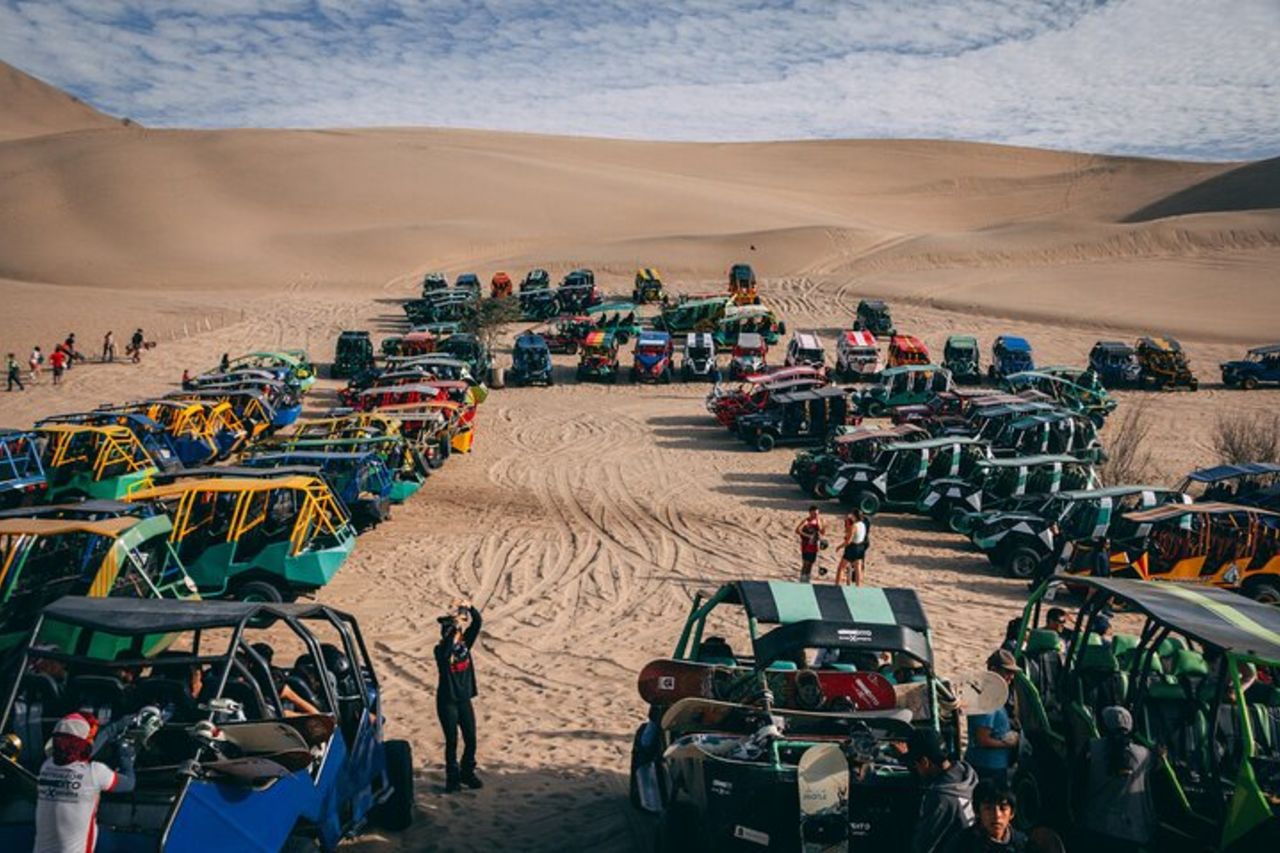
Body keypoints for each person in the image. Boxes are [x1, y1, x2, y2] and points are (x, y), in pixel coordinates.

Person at [34, 712, 136, 853]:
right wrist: (126, 756)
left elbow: (80, 752)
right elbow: (129, 783)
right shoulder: (95, 773)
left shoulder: (46, 766)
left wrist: (112, 729)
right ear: (83, 744)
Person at [1075, 706, 1156, 852]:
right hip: (1132, 832)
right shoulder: (1144, 755)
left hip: (1096, 826)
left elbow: (1078, 784)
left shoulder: (1091, 748)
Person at [434, 598, 483, 792]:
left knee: (470, 739)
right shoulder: (440, 650)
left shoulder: (465, 646)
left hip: (463, 701)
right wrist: (453, 629)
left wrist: (470, 608)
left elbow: (477, 624)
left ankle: (467, 773)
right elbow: (446, 652)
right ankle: (452, 779)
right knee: (452, 741)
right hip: (447, 702)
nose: (460, 633)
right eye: (456, 632)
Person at [908, 728, 977, 853]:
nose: (916, 769)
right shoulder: (966, 777)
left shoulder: (940, 798)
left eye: (915, 764)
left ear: (925, 761)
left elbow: (923, 845)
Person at [964, 650, 1021, 787]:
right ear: (993, 670)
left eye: (1012, 673)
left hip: (991, 765)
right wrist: (1010, 744)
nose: (1011, 677)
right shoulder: (987, 699)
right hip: (987, 767)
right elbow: (982, 739)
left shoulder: (993, 694)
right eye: (1007, 672)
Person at [945, 782, 1028, 852]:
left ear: (1012, 813)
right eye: (988, 808)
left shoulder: (1023, 844)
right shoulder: (962, 843)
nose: (996, 815)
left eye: (1003, 808)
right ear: (977, 811)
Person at [836, 508, 868, 586]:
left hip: (852, 547)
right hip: (860, 546)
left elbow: (848, 541)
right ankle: (858, 586)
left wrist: (839, 546)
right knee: (858, 568)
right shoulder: (863, 524)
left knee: (841, 568)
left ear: (855, 516)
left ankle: (837, 586)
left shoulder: (854, 526)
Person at [794, 506, 826, 582]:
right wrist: (808, 536)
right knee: (806, 562)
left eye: (817, 513)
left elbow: (822, 533)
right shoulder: (806, 521)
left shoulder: (820, 521)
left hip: (814, 545)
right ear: (810, 513)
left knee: (811, 562)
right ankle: (802, 578)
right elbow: (797, 530)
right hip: (806, 544)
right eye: (814, 513)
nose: (816, 515)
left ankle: (807, 578)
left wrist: (822, 525)